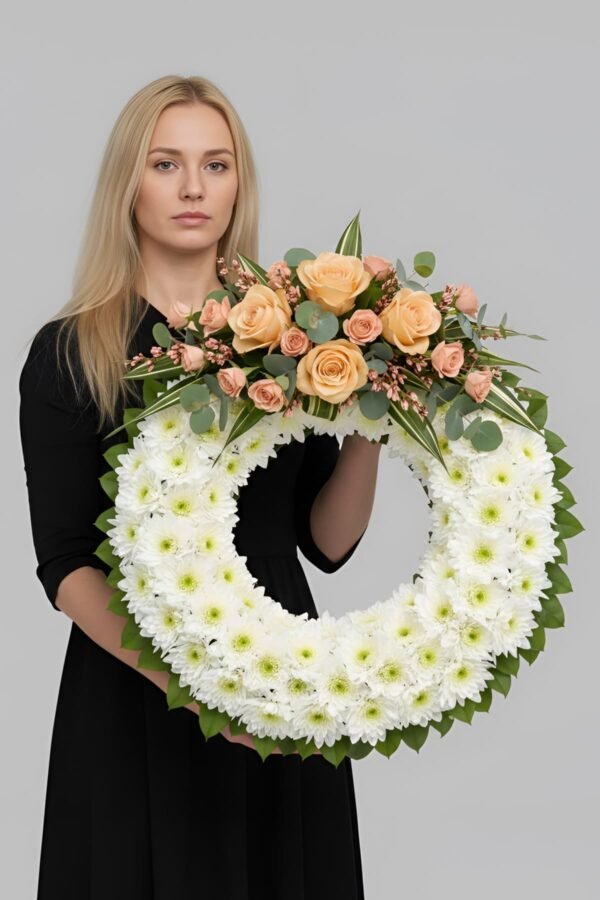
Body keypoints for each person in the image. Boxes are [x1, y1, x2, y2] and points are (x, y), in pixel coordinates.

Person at [18, 74, 382, 899]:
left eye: (216, 165)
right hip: (136, 686)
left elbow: (326, 542)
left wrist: (371, 419)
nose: (193, 188)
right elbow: (66, 563)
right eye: (166, 164)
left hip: (282, 676)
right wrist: (198, 686)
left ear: (238, 184)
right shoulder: (73, 351)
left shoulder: (288, 342)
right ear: (129, 182)